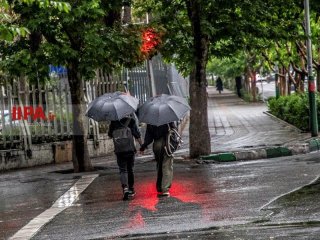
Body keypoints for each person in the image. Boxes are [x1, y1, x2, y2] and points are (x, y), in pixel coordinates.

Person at [108, 114, 143, 201]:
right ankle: (131, 189)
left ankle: (125, 188)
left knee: (123, 170)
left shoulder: (114, 122)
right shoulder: (131, 121)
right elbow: (137, 135)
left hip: (119, 150)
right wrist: (142, 146)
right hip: (130, 150)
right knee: (130, 169)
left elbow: (110, 135)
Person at [139, 122, 177, 197]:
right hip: (167, 143)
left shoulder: (151, 120)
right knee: (167, 166)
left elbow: (149, 137)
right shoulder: (168, 117)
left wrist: (143, 147)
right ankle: (165, 189)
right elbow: (174, 130)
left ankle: (159, 187)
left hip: (156, 144)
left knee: (159, 165)